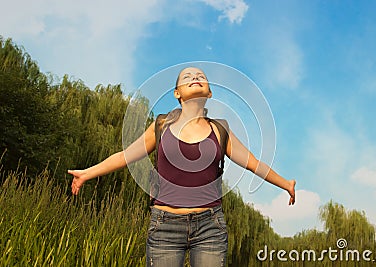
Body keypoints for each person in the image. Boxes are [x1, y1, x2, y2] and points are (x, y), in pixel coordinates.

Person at [68, 67, 296, 267]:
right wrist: (87, 173)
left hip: (210, 226)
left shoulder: (220, 130)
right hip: (164, 226)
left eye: (201, 76)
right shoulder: (161, 125)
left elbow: (253, 163)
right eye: (187, 76)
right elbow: (125, 156)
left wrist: (286, 183)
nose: (195, 77)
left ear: (209, 92)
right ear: (177, 93)